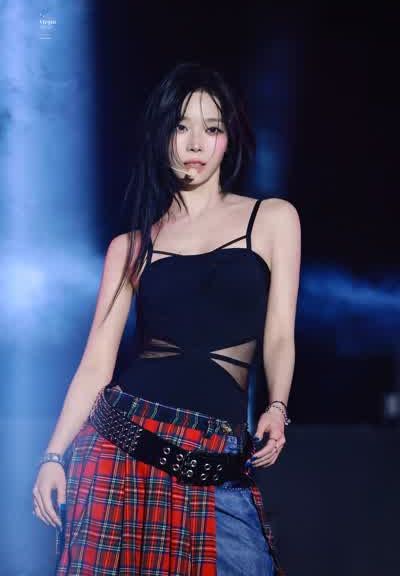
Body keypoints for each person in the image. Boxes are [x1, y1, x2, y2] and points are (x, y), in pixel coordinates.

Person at [32, 61, 301, 575]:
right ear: (162, 136)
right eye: (182, 127)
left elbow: (280, 335)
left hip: (214, 452)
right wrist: (52, 455)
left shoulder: (272, 219)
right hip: (121, 443)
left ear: (229, 139)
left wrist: (278, 405)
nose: (196, 143)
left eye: (212, 128)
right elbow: (95, 366)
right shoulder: (131, 246)